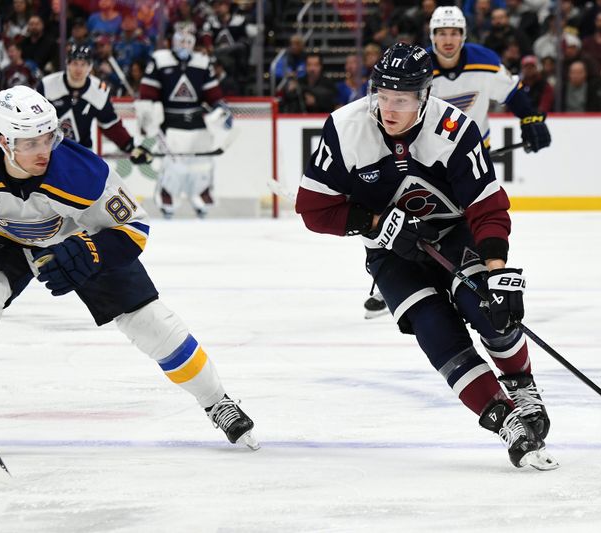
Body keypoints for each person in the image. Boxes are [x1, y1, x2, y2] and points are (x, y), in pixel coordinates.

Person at [295, 43, 557, 470]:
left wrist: (497, 272)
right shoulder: (345, 128)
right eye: (382, 95)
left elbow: (487, 207)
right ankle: (505, 417)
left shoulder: (454, 128)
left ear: (425, 95)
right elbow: (312, 210)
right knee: (433, 328)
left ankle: (521, 382)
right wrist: (375, 222)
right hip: (390, 254)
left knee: (487, 308)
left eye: (401, 99)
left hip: (455, 233)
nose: (389, 108)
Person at [0, 86, 257, 450]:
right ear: (4, 141)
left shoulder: (82, 172)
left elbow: (136, 226)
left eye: (48, 138)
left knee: (149, 322)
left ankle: (218, 401)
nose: (44, 151)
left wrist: (89, 251)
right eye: (31, 143)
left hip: (79, 235)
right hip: (0, 237)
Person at [364, 5, 551, 318]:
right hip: (422, 161)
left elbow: (515, 93)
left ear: (464, 35)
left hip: (468, 159)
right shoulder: (417, 68)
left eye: (454, 33)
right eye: (441, 33)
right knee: (410, 217)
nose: (447, 39)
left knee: (471, 219)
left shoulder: (487, 63)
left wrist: (531, 118)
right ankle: (394, 282)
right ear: (432, 36)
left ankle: (482, 274)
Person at [138, 30, 234, 218]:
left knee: (203, 161)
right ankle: (168, 196)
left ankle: (201, 192)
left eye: (189, 41)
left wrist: (221, 109)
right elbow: (147, 92)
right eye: (181, 41)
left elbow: (212, 94)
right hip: (170, 121)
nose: (184, 45)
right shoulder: (160, 60)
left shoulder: (202, 62)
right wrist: (147, 117)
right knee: (174, 164)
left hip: (196, 119)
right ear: (172, 41)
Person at [37, 44, 152, 167]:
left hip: (81, 152)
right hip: (49, 151)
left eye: (83, 64)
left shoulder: (98, 90)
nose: (79, 69)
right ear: (68, 64)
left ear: (90, 66)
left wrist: (130, 147)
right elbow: (36, 120)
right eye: (75, 63)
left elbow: (110, 124)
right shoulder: (47, 85)